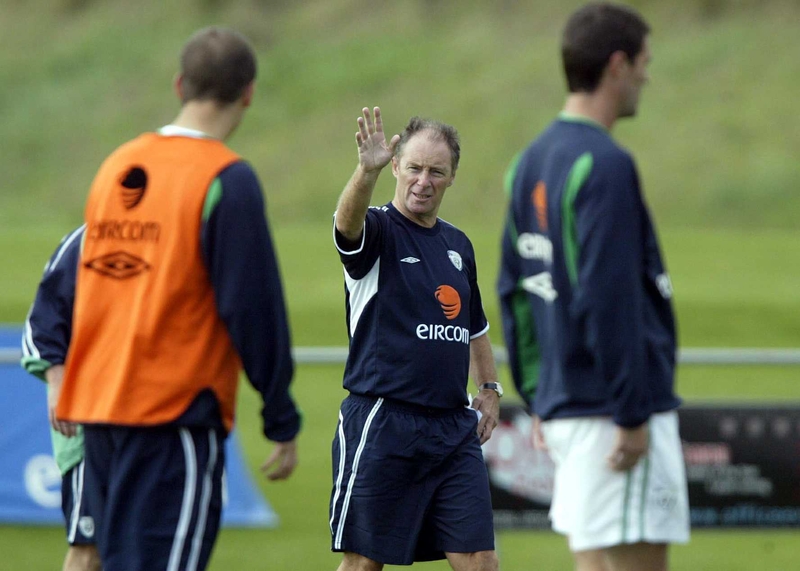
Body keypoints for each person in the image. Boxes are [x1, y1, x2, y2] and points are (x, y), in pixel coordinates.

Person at [54, 27, 301, 571]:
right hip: (172, 417)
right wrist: (280, 414)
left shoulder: (117, 165)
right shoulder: (226, 179)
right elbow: (253, 309)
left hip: (99, 411)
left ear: (179, 84)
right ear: (248, 93)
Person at [497, 4, 690, 571]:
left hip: (567, 405)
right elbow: (608, 298)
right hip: (612, 413)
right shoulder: (605, 164)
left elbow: (515, 291)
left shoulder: (528, 161)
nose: (647, 77)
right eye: (644, 62)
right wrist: (631, 413)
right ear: (617, 64)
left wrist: (540, 394)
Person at [329, 107, 501, 571]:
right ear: (396, 167)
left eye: (436, 172)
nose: (423, 181)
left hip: (452, 428)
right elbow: (346, 226)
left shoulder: (458, 245)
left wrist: (489, 388)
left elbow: (475, 326)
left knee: (481, 559)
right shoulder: (377, 230)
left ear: (452, 177)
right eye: (414, 168)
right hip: (384, 421)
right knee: (365, 563)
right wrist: (365, 172)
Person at [21, 225, 101, 571]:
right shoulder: (90, 237)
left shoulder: (183, 235)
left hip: (158, 426)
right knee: (90, 550)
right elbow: (41, 324)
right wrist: (58, 383)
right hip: (93, 428)